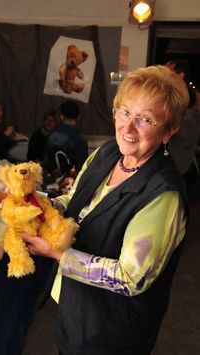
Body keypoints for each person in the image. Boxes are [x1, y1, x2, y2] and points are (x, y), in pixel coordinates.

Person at [21, 65, 189, 355]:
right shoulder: (108, 153)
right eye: (124, 112)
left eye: (145, 119)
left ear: (168, 130)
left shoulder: (163, 194)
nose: (128, 127)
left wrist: (56, 254)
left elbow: (130, 277)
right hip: (76, 308)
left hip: (112, 330)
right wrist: (33, 204)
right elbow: (74, 201)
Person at [166, 60, 200, 182]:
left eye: (168, 71)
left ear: (181, 75)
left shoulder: (185, 95)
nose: (164, 74)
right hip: (181, 163)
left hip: (179, 164)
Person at [44, 100, 88, 175]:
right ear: (79, 116)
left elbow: (47, 164)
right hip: (72, 181)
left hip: (53, 180)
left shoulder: (51, 136)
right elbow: (82, 168)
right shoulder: (80, 138)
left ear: (61, 116)